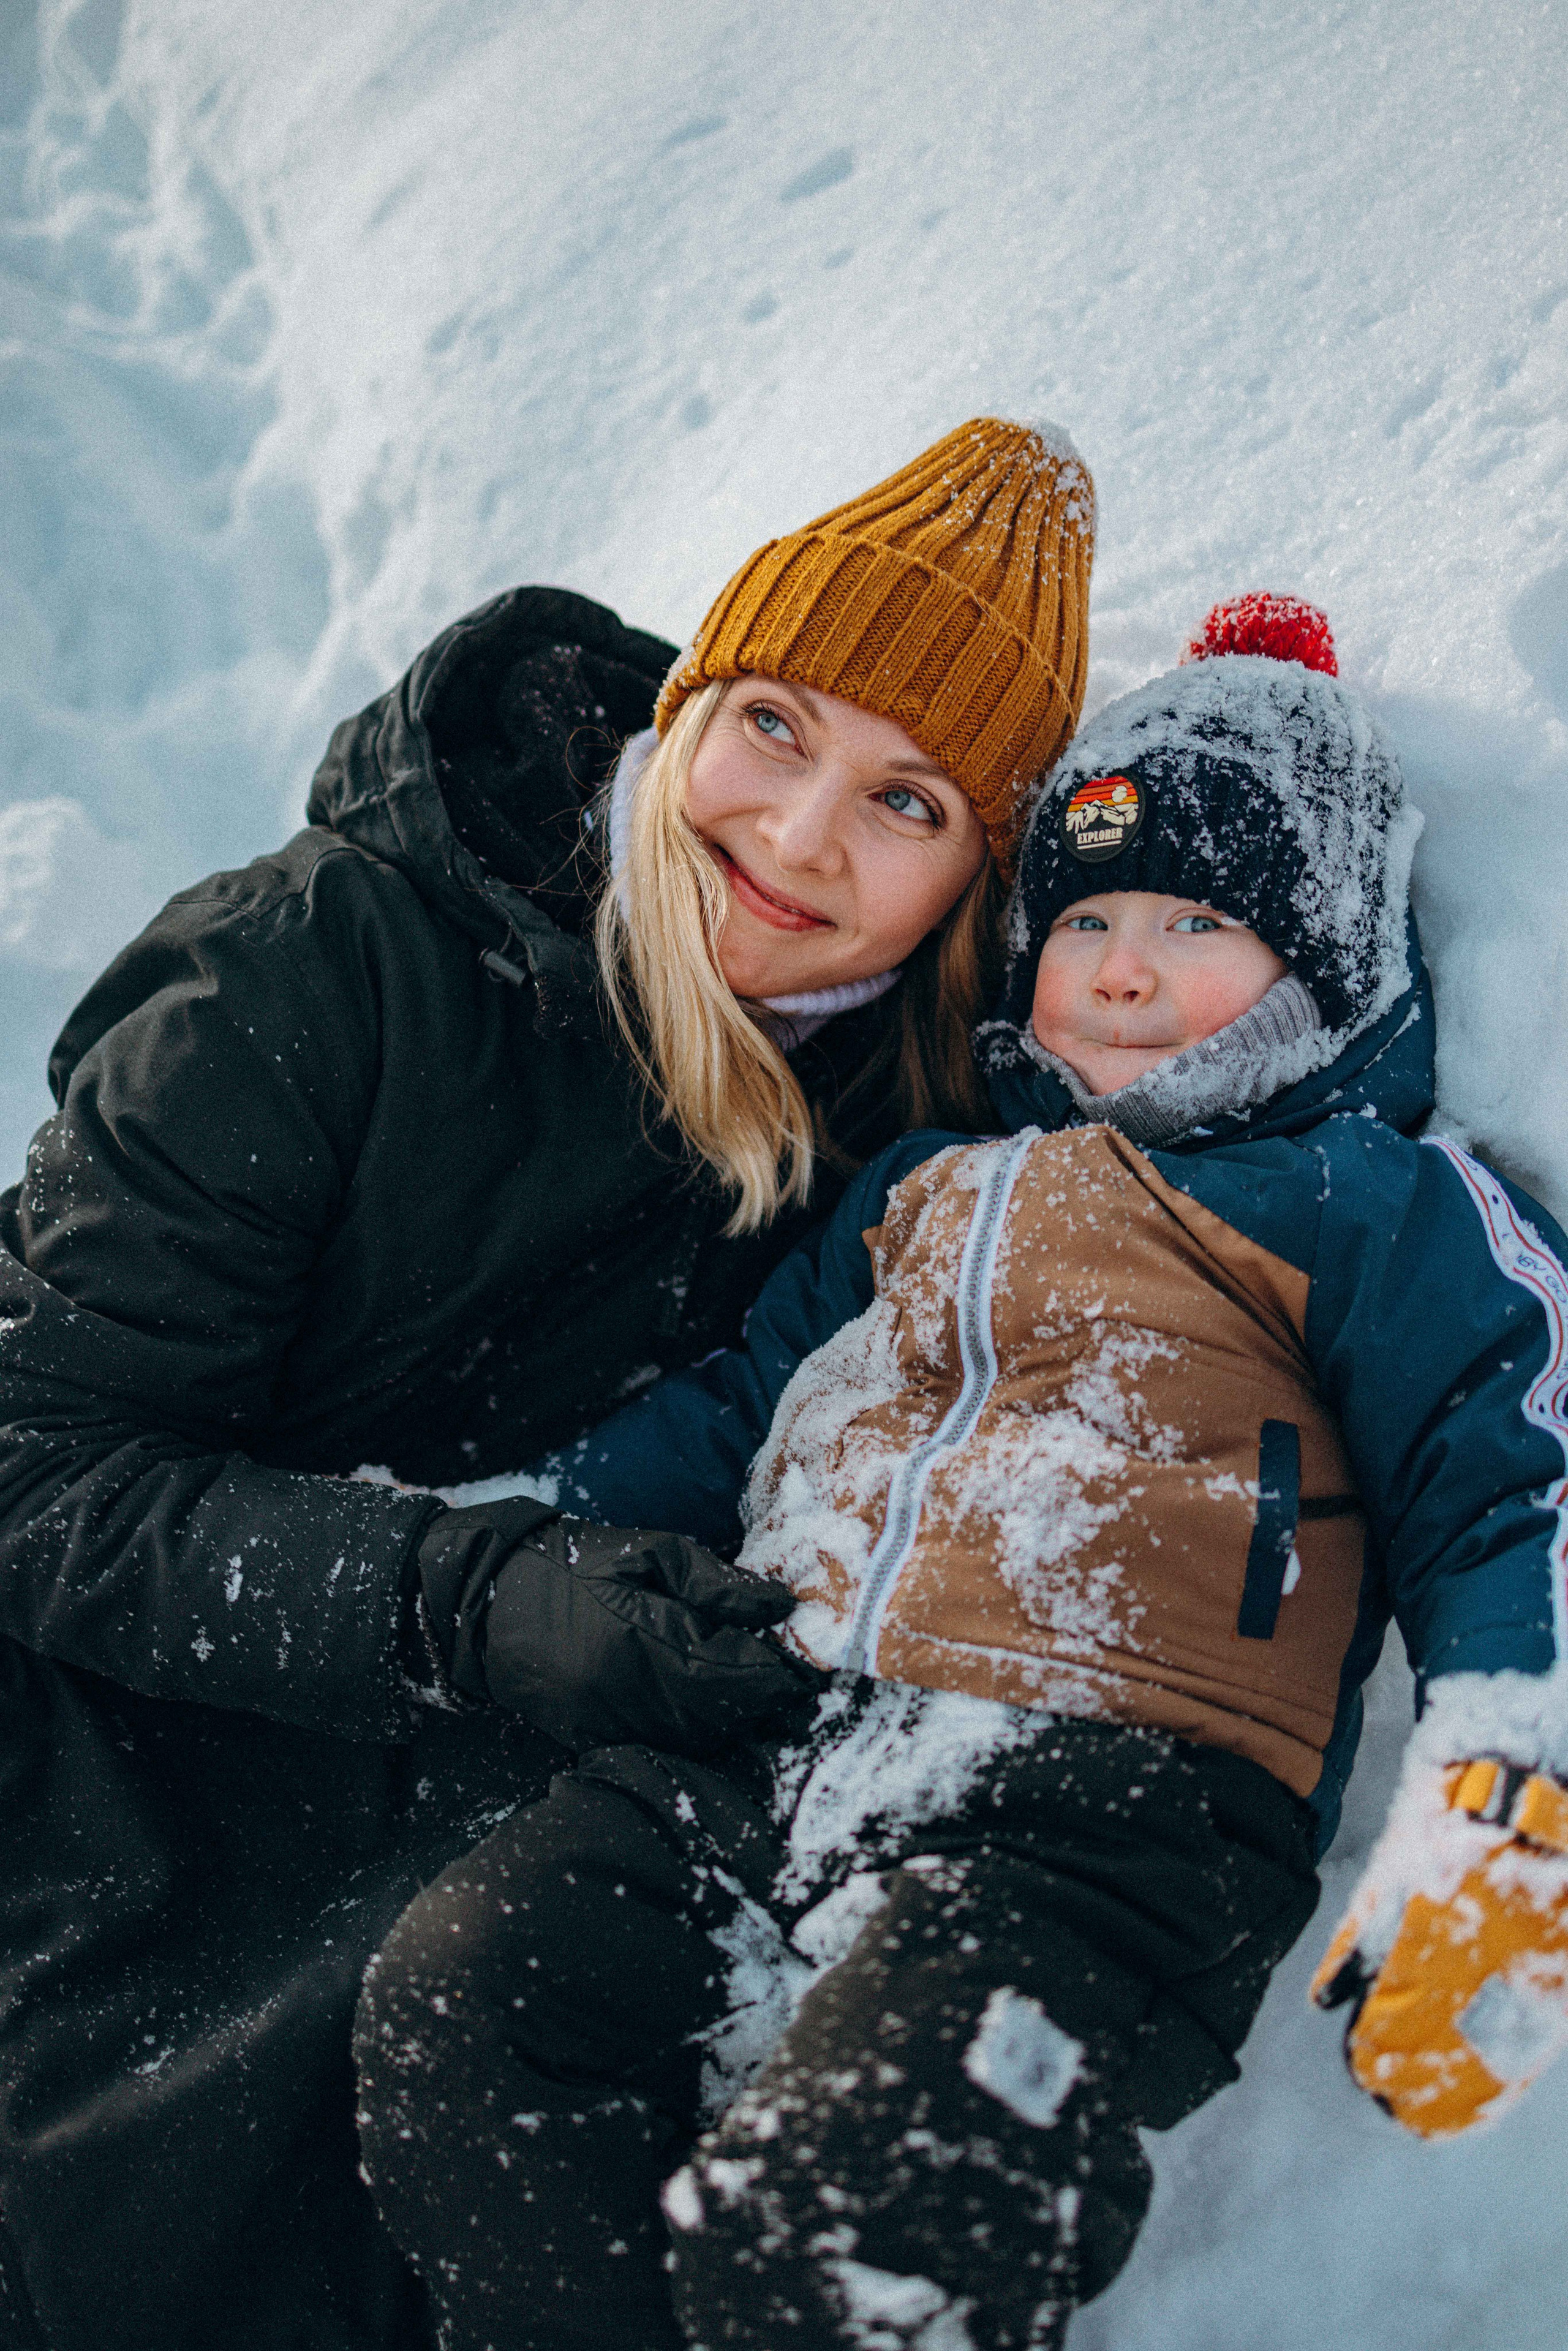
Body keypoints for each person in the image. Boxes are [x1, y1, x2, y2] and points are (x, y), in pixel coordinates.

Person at [355, 594, 1568, 2351]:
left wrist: (1506, 1764)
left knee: (866, 2197)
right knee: (465, 2001)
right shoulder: (927, 1186)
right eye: (1086, 921)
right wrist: (509, 1536)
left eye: (1200, 921)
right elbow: (741, 1410)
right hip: (766, 1739)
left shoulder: (1369, 1199)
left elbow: (1518, 1461)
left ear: (1335, 968)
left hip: (1100, 1790)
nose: (1126, 967)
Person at [0, 416, 1095, 2351]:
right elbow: (41, 1474)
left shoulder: (897, 1114)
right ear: (679, 707)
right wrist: (469, 1597)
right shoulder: (313, 968)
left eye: (909, 802)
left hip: (463, 1761)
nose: (802, 836)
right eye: (773, 724)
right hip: (111, 1705)